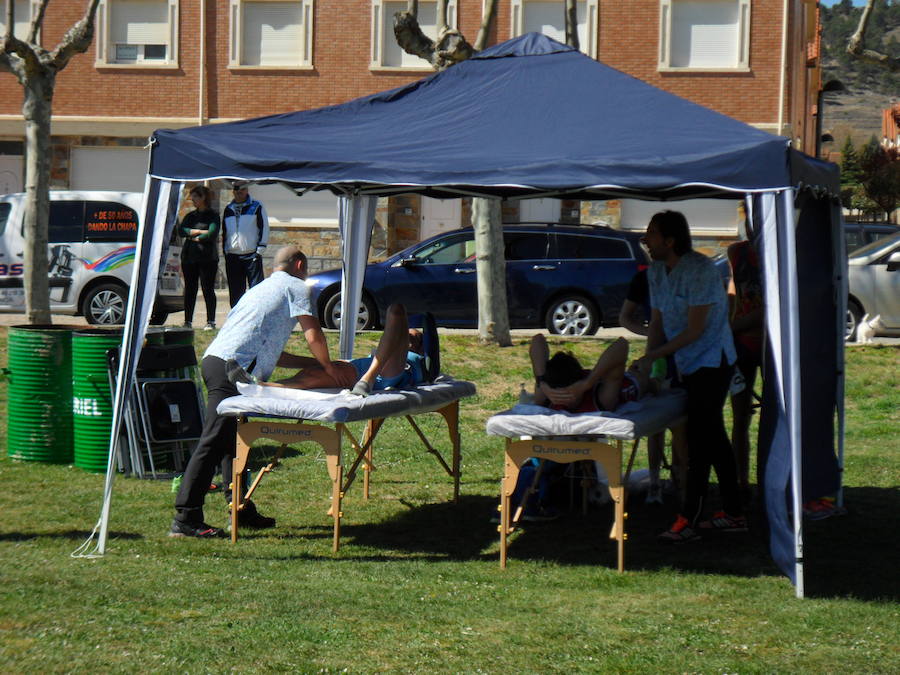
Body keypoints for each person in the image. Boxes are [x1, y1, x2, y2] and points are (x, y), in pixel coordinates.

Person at [169, 245, 356, 538]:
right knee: (213, 441)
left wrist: (322, 364)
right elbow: (313, 333)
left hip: (218, 362)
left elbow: (273, 355)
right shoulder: (297, 286)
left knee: (232, 443)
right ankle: (186, 518)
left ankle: (239, 509)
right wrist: (330, 369)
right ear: (298, 265)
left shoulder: (261, 289)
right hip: (232, 370)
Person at [635, 210, 745, 543]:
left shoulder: (701, 270)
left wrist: (657, 355)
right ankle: (734, 512)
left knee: (699, 440)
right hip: (685, 363)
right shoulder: (655, 271)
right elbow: (658, 321)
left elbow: (696, 330)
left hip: (713, 361)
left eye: (651, 234)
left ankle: (689, 519)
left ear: (670, 240)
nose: (645, 240)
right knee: (715, 439)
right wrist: (651, 363)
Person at [227, 303, 428, 397]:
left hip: (386, 373)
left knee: (396, 309)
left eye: (415, 336)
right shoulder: (388, 350)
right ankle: (257, 384)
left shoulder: (414, 359)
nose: (410, 335)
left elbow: (408, 335)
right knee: (311, 373)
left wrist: (412, 339)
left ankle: (257, 385)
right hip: (357, 368)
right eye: (409, 333)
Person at [619, 269, 687, 505]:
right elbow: (625, 317)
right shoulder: (643, 278)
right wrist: (651, 333)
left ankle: (680, 480)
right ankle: (655, 482)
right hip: (657, 356)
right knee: (656, 420)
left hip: (684, 353)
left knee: (681, 421)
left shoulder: (684, 274)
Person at [726, 239, 764, 500]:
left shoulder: (779, 249)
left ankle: (770, 479)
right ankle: (741, 482)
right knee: (740, 415)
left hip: (771, 344)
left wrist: (730, 328)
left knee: (776, 416)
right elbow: (733, 291)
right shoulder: (736, 251)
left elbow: (770, 307)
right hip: (741, 344)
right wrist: (728, 327)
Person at [178, 185, 220, 330]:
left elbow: (212, 233)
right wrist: (196, 231)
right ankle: (188, 321)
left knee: (207, 289)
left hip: (207, 258)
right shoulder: (191, 216)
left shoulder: (213, 216)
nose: (193, 200)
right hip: (189, 258)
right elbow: (181, 230)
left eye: (195, 196)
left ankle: (211, 321)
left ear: (203, 198)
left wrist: (196, 237)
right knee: (190, 289)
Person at [222, 181, 268, 307]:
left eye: (242, 188)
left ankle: (257, 319)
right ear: (233, 191)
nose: (239, 191)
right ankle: (236, 320)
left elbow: (264, 227)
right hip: (233, 256)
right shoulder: (228, 208)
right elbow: (225, 232)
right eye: (236, 188)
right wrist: (225, 251)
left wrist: (260, 249)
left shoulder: (256, 206)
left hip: (251, 254)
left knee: (256, 290)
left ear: (247, 190)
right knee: (235, 291)